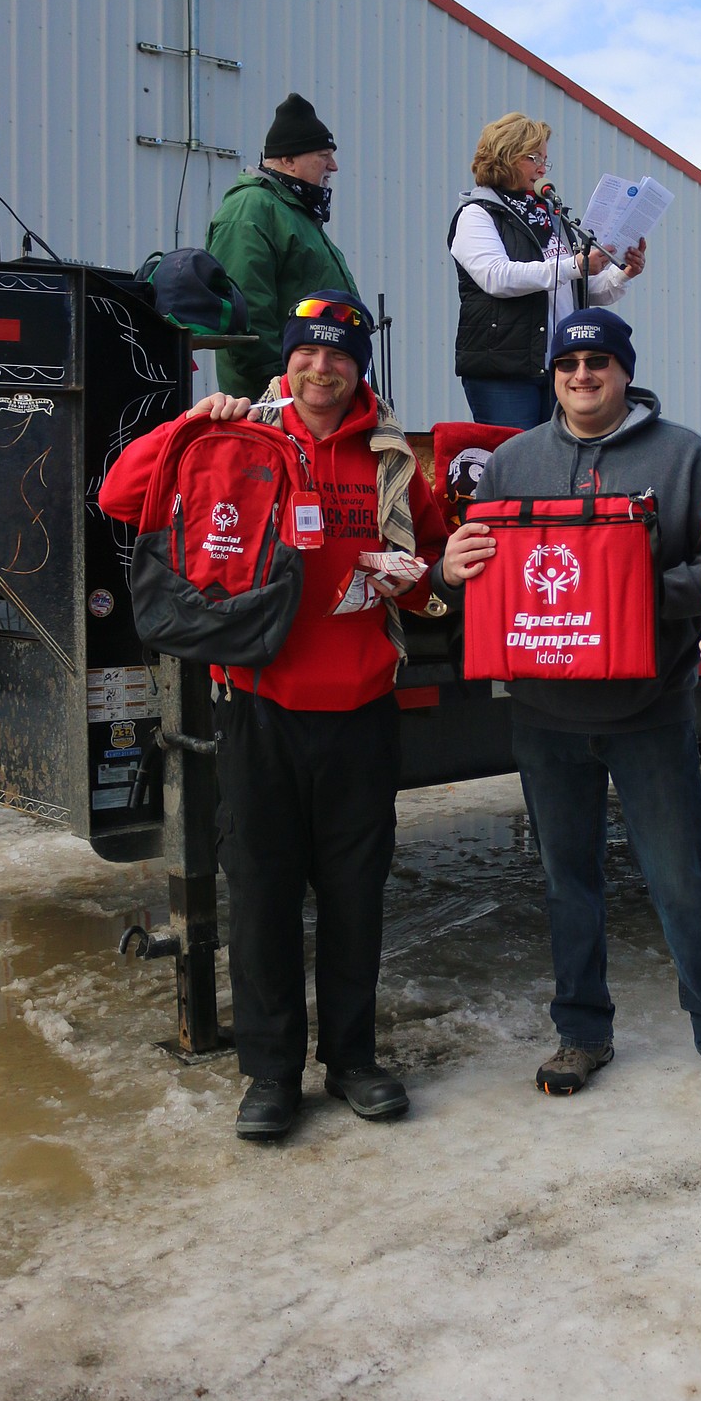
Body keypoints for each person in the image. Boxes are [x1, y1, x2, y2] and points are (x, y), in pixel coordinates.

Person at [100, 291, 447, 1140]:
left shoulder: (391, 456)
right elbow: (117, 493)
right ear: (285, 359)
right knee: (258, 896)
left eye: (339, 355)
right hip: (256, 705)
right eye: (307, 353)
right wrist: (187, 424)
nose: (321, 368)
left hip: (363, 706)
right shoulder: (237, 434)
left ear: (359, 366)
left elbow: (434, 558)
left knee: (355, 895)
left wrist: (419, 578)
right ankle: (270, 1074)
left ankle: (355, 1060)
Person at [437, 307, 701, 1103]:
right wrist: (452, 565)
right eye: (569, 365)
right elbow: (484, 571)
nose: (583, 376)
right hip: (544, 716)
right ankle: (582, 1032)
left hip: (649, 713)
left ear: (625, 370)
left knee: (681, 880)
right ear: (552, 375)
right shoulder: (510, 461)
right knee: (565, 880)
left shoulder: (683, 457)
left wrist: (639, 587)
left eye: (599, 363)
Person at [450, 112, 647, 431]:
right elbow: (497, 277)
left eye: (545, 159)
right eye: (533, 157)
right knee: (516, 466)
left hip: (560, 368)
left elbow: (579, 290)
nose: (542, 168)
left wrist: (622, 273)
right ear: (505, 156)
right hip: (505, 371)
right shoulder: (477, 214)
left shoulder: (550, 218)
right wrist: (574, 265)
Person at [207, 92, 360, 400]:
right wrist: (277, 391)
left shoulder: (291, 211)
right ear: (289, 160)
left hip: (311, 393)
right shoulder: (251, 211)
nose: (334, 166)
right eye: (323, 155)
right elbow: (249, 316)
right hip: (282, 401)